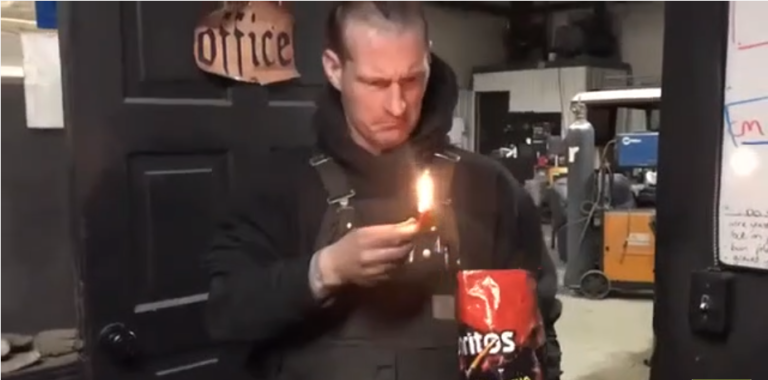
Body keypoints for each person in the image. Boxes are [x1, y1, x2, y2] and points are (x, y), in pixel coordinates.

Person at [204, 2, 562, 380]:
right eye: (376, 83)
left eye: (411, 80)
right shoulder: (278, 186)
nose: (397, 105)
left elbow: (537, 331)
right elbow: (226, 315)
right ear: (334, 69)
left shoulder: (489, 188)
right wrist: (325, 271)